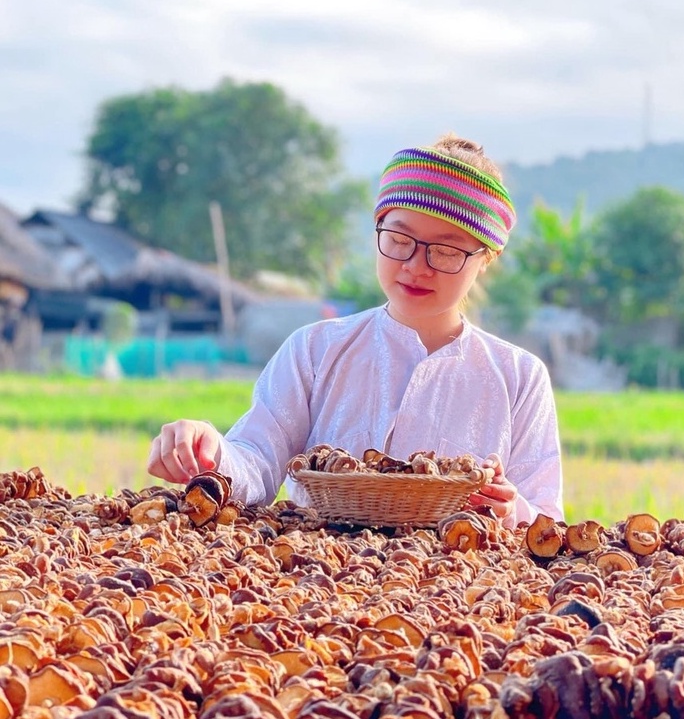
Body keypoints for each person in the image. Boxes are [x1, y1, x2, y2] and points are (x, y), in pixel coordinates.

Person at [148, 134, 564, 528]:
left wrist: (511, 509)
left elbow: (546, 521)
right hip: (316, 582)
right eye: (401, 239)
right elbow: (256, 460)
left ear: (486, 258)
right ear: (378, 229)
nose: (416, 266)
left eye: (446, 250)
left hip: (456, 593)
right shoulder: (315, 350)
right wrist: (208, 450)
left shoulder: (519, 377)